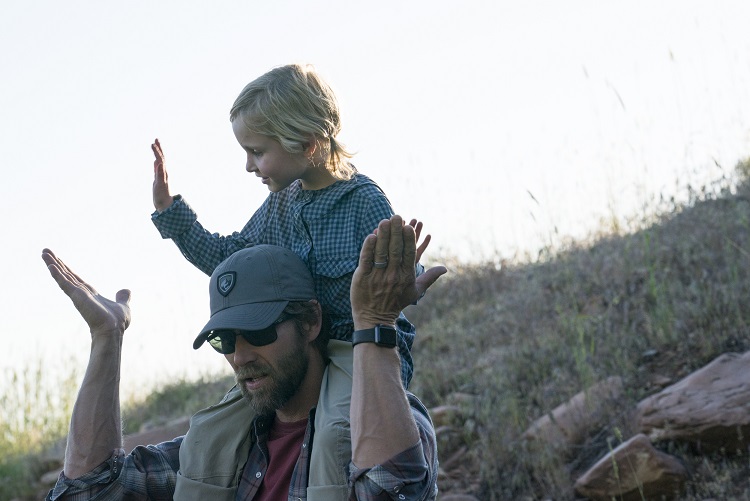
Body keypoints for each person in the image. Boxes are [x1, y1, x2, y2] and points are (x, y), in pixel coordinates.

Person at [151, 64, 425, 495]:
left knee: (337, 429)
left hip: (357, 350)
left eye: (258, 152)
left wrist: (408, 279)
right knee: (211, 428)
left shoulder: (361, 202)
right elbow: (229, 261)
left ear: (306, 141)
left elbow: (390, 279)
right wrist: (174, 217)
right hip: (296, 357)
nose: (248, 165)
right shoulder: (279, 208)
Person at [43, 215, 445, 501]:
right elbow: (91, 491)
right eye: (224, 340)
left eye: (257, 332)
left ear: (310, 322)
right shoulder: (221, 448)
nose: (240, 355)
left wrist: (375, 321)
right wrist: (106, 339)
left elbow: (391, 491)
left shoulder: (389, 420)